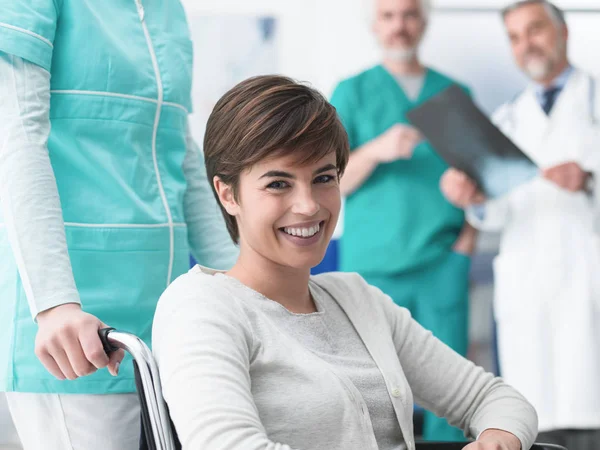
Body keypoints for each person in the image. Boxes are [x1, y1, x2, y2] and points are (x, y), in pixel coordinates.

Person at [152, 74, 538, 450]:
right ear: (227, 194)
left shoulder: (357, 299)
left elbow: (494, 398)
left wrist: (497, 441)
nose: (308, 206)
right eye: (278, 184)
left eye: (323, 177)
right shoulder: (201, 307)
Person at [0, 1, 237, 449]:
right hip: (77, 324)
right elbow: (17, 140)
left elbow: (181, 151)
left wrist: (240, 281)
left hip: (166, 318)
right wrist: (55, 304)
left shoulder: (167, 11)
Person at [440, 1, 600, 449]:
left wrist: (589, 180)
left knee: (590, 408)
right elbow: (496, 214)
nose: (526, 43)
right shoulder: (505, 120)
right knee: (537, 419)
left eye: (535, 30)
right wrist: (474, 200)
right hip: (527, 288)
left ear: (563, 32)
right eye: (514, 36)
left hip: (585, 279)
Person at [329, 0, 477, 441]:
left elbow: (480, 177)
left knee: (454, 400)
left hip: (441, 262)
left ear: (424, 22)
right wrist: (375, 150)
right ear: (375, 25)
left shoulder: (454, 94)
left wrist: (465, 248)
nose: (400, 26)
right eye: (389, 16)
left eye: (410, 15)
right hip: (373, 267)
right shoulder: (352, 92)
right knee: (371, 397)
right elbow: (332, 182)